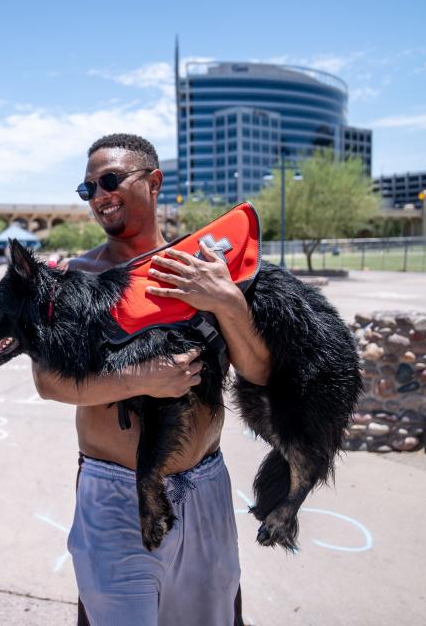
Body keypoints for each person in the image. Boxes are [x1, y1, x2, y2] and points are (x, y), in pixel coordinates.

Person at [31, 134, 270, 625]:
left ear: (154, 182)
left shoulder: (207, 269)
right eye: (88, 187)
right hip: (114, 491)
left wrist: (227, 301)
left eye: (112, 180)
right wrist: (144, 377)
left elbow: (257, 371)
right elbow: (49, 382)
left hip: (205, 485)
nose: (100, 195)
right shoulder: (76, 277)